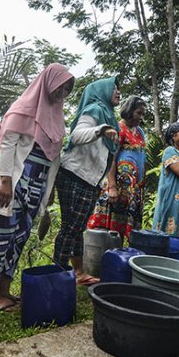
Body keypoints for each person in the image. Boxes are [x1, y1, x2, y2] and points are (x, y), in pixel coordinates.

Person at [0, 64, 75, 311]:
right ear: (48, 82)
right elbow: (7, 145)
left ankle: (4, 290)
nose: (62, 92)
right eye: (60, 85)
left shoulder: (56, 118)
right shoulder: (23, 109)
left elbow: (54, 159)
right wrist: (5, 183)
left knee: (20, 237)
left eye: (67, 89)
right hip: (14, 183)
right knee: (0, 235)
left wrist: (48, 191)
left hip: (37, 187)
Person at [53, 77, 120, 285]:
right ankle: (58, 275)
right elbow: (76, 136)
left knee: (76, 228)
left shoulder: (108, 115)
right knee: (70, 228)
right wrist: (100, 130)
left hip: (87, 179)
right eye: (114, 87)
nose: (118, 91)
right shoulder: (95, 110)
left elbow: (104, 156)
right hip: (75, 174)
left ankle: (79, 273)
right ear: (102, 90)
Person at [87, 96, 148, 240]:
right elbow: (111, 158)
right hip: (117, 188)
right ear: (129, 110)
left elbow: (142, 157)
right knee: (108, 231)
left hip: (132, 189)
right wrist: (112, 187)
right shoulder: (118, 128)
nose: (141, 117)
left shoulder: (139, 132)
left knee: (122, 231)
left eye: (143, 114)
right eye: (139, 113)